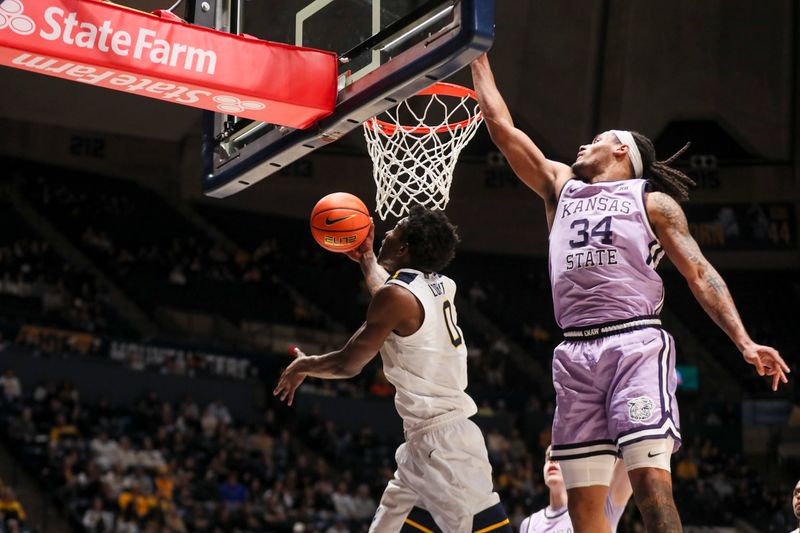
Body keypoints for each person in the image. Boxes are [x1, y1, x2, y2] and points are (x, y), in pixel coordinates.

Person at [471, 53, 790, 533]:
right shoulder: (560, 187)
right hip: (574, 353)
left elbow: (700, 273)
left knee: (651, 489)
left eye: (597, 138)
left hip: (633, 344)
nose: (584, 142)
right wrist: (476, 51)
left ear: (622, 150)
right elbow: (500, 127)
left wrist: (743, 341)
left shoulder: (651, 202)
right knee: (584, 514)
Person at [274, 206, 512, 533]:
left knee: (487, 528)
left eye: (395, 231)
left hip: (445, 446)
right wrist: (368, 260)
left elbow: (348, 363)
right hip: (424, 442)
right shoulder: (441, 284)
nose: (386, 233)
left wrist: (306, 364)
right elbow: (394, 296)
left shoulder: (397, 296)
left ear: (403, 249)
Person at [520, 446, 631, 533]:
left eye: (559, 457)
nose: (552, 460)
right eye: (549, 457)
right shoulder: (529, 524)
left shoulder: (597, 507)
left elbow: (632, 452)